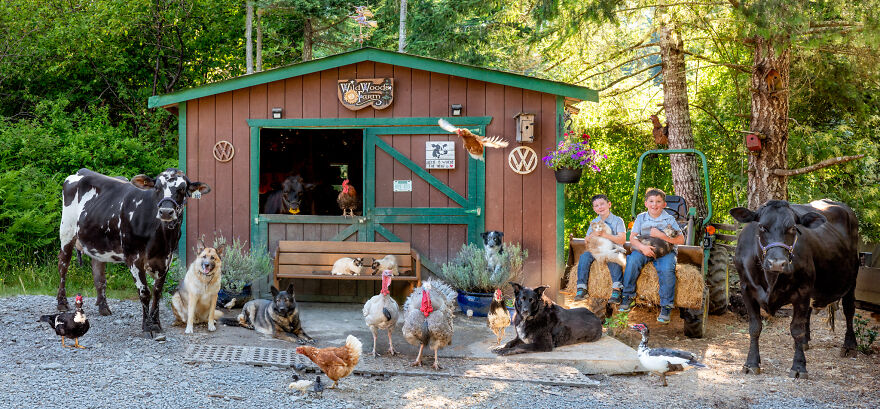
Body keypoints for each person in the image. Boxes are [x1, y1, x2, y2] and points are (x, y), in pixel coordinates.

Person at [618, 188, 684, 324]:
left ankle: (666, 306)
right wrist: (643, 248)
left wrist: (661, 235)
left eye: (658, 201)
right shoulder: (641, 218)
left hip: (665, 251)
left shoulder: (669, 219)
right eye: (651, 201)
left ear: (664, 205)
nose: (655, 204)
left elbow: (680, 240)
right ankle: (627, 297)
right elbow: (633, 238)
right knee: (632, 261)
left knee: (667, 270)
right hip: (645, 248)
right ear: (646, 203)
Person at [574, 194, 626, 301]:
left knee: (613, 258)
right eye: (597, 206)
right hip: (598, 249)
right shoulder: (594, 222)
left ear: (609, 204)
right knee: (584, 256)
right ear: (594, 209)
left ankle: (617, 289)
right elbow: (587, 240)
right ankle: (581, 288)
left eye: (602, 204)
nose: (600, 207)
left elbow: (622, 240)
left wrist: (604, 234)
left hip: (612, 248)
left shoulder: (618, 221)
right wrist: (594, 234)